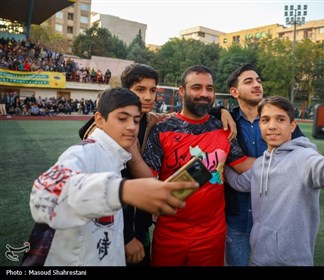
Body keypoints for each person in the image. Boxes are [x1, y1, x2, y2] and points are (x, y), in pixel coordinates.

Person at [78, 63, 237, 266]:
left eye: (152, 90)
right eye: (140, 90)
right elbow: (107, 187)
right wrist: (126, 237)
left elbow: (186, 115)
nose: (148, 97)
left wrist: (220, 111)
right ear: (124, 92)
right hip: (115, 229)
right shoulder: (107, 129)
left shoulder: (149, 118)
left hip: (141, 223)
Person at [23, 87, 198, 266]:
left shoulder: (117, 157)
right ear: (99, 120)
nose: (131, 127)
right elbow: (44, 196)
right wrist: (124, 191)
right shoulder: (84, 153)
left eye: (136, 121)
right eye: (122, 118)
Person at [224, 96, 324, 266]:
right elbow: (238, 182)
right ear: (260, 126)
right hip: (258, 259)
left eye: (280, 119)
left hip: (292, 262)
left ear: (292, 126)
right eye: (265, 120)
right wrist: (220, 165)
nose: (272, 126)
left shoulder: (303, 158)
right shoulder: (259, 165)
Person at [142, 65, 255, 266]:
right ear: (182, 92)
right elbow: (147, 180)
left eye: (209, 88)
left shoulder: (223, 128)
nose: (204, 94)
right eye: (196, 87)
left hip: (212, 235)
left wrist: (285, 156)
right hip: (169, 235)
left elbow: (243, 165)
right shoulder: (162, 129)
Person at [224, 64, 304, 266]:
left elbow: (304, 153)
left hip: (274, 221)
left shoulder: (277, 119)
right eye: (248, 81)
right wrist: (220, 111)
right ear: (234, 92)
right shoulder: (225, 121)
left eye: (258, 80)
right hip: (237, 218)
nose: (257, 84)